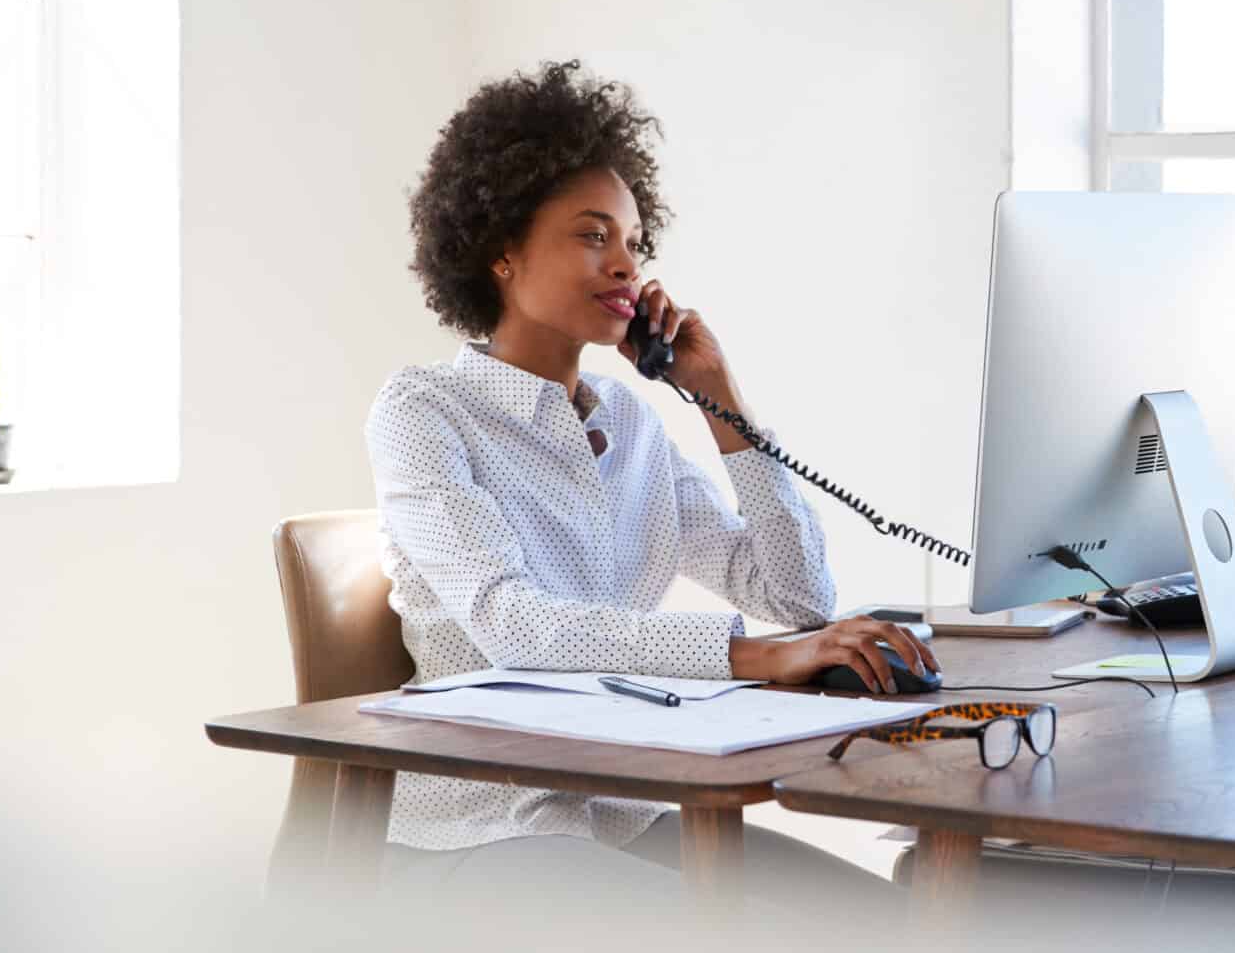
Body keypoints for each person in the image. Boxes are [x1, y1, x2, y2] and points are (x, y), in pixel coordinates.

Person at [364, 59, 938, 918]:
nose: (625, 265)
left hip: (618, 815)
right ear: (503, 252)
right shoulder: (422, 410)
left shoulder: (629, 423)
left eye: (633, 242)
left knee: (887, 921)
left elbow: (795, 594)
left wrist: (723, 404)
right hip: (478, 832)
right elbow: (513, 626)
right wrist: (753, 656)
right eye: (593, 235)